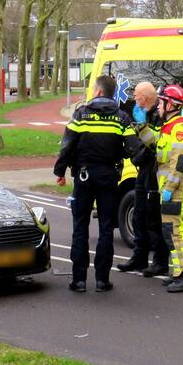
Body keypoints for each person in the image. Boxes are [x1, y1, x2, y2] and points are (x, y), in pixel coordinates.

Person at [54, 74, 141, 293]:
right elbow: (133, 149)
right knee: (105, 229)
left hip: (83, 178)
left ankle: (79, 280)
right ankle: (102, 280)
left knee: (80, 227)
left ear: (99, 91)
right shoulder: (122, 118)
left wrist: (60, 171)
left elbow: (67, 145)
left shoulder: (81, 114)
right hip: (109, 178)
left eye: (94, 89)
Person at [117, 81, 171, 277]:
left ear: (146, 98)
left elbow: (153, 147)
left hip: (155, 174)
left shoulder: (160, 116)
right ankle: (138, 257)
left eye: (137, 96)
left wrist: (139, 154)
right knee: (139, 216)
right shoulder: (143, 114)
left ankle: (160, 262)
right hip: (143, 172)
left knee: (154, 219)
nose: (134, 99)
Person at [154, 84, 183, 293]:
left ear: (171, 104)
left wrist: (170, 187)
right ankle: (179, 271)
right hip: (171, 187)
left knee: (175, 231)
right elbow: (158, 151)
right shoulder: (168, 127)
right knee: (173, 231)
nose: (158, 106)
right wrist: (141, 127)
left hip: (176, 188)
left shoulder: (179, 128)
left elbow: (179, 162)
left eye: (161, 102)